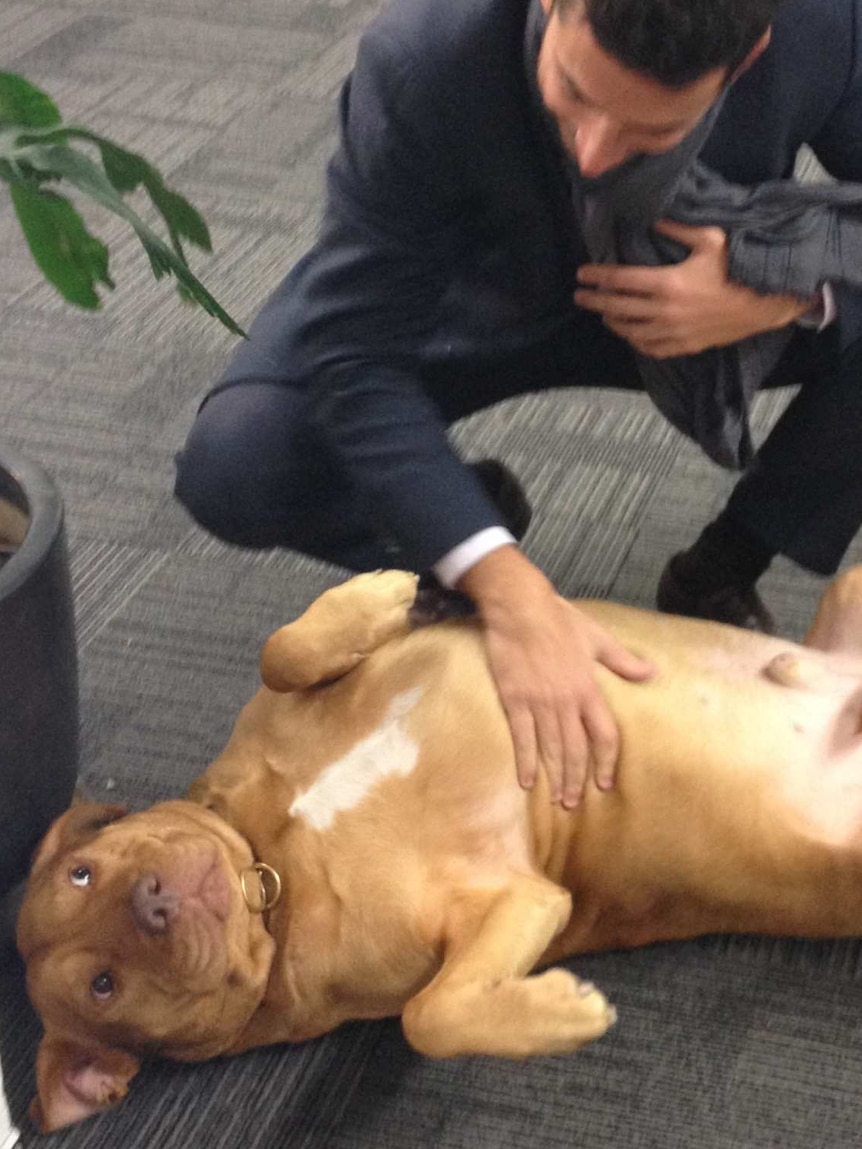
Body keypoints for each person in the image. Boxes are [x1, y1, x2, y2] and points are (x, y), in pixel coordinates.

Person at [174, 0, 862, 811]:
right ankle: (468, 521)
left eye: (650, 132)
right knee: (238, 460)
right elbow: (354, 352)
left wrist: (780, 294)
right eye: (575, 91)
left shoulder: (825, 25)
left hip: (690, 300)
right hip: (463, 304)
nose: (599, 151)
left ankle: (725, 565)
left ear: (743, 65)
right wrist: (504, 584)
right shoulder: (425, 55)